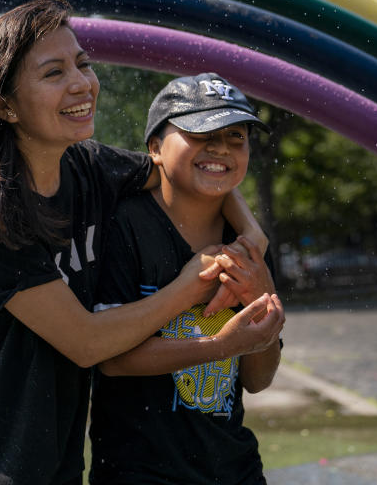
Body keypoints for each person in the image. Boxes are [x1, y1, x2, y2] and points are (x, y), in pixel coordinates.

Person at [0, 0, 271, 485]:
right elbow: (88, 343)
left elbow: (185, 171)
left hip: (49, 449)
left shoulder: (88, 168)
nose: (82, 83)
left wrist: (250, 232)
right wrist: (191, 287)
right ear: (4, 105)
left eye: (83, 63)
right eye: (53, 73)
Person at [90, 73, 285, 484]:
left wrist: (263, 321)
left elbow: (258, 379)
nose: (220, 147)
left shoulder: (246, 246)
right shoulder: (125, 226)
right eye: (201, 132)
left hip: (235, 469)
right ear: (156, 148)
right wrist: (220, 346)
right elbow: (111, 360)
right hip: (141, 472)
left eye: (236, 136)